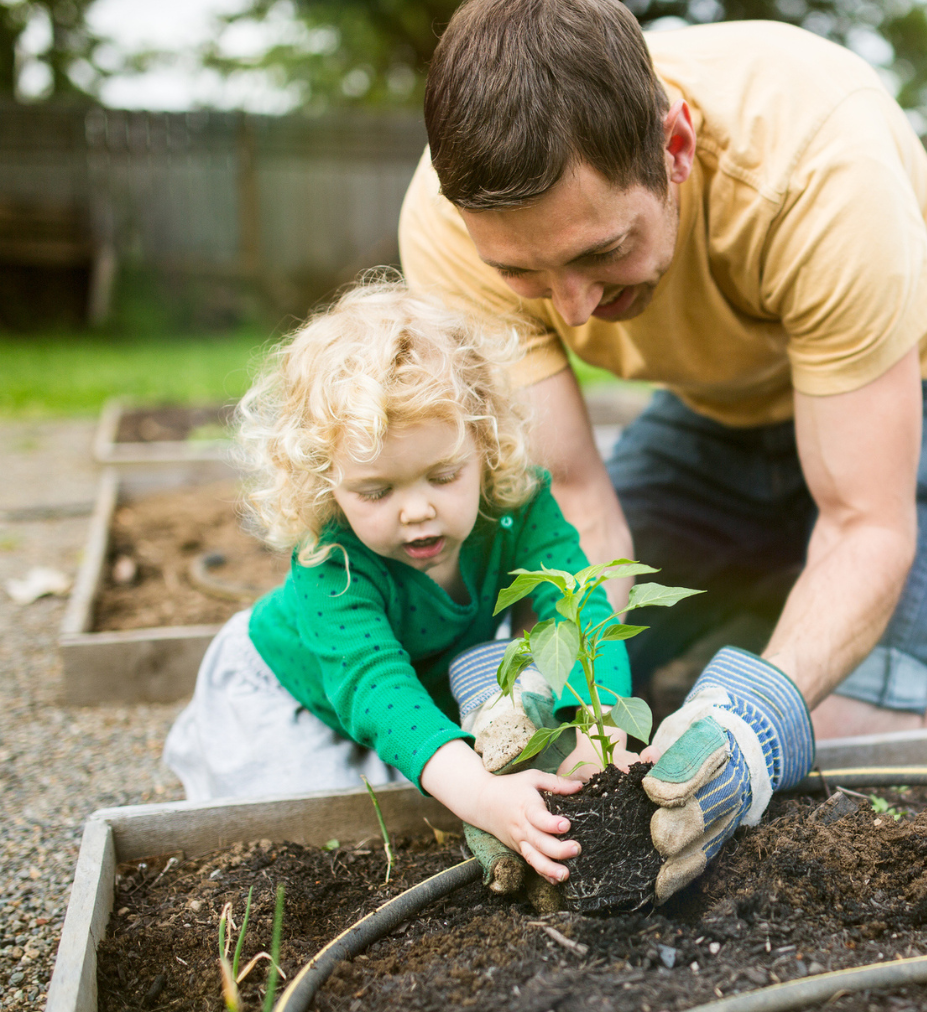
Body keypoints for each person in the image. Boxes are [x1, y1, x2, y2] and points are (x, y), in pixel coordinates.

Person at [399, 0, 927, 899]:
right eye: (526, 273)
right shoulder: (452, 229)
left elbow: (861, 524)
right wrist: (534, 721)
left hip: (911, 390)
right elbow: (579, 506)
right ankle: (772, 589)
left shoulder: (819, 169)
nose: (574, 308)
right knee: (574, 699)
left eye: (602, 251)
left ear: (675, 148)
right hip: (714, 408)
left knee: (850, 736)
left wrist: (757, 722)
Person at [162, 279, 637, 887]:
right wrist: (484, 800)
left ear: (485, 447)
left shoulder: (517, 503)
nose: (416, 511)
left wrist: (602, 734)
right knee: (316, 832)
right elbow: (375, 686)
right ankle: (207, 742)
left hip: (415, 679)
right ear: (324, 481)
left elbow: (578, 607)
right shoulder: (330, 560)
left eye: (443, 475)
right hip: (283, 694)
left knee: (434, 782)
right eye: (376, 491)